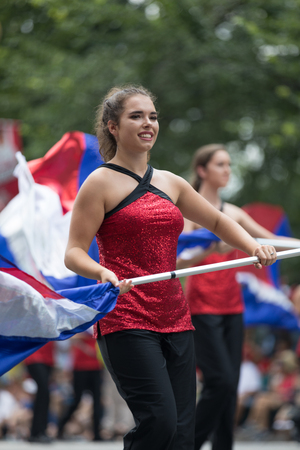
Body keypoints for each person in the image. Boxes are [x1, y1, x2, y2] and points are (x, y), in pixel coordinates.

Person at [64, 86, 276, 450]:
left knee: (181, 433)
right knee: (158, 422)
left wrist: (254, 246)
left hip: (176, 317)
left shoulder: (171, 182)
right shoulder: (99, 183)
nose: (148, 123)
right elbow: (73, 253)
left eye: (152, 116)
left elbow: (220, 222)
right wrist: (102, 272)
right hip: (126, 317)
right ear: (112, 126)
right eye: (136, 116)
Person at [176, 143, 292, 450]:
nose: (227, 170)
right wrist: (209, 248)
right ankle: (187, 444)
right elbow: (174, 261)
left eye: (229, 164)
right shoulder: (188, 212)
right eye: (220, 164)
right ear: (202, 170)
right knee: (221, 381)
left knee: (230, 384)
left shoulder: (232, 213)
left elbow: (270, 240)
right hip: (201, 307)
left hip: (233, 306)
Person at [57, 330, 104, 441]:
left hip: (95, 366)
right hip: (80, 367)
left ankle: (97, 433)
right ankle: (60, 427)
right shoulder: (81, 320)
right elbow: (71, 336)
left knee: (97, 401)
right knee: (76, 400)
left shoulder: (96, 320)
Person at [24, 341, 55, 443]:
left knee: (43, 394)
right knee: (44, 390)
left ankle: (35, 432)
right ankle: (40, 431)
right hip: (34, 354)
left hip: (48, 355)